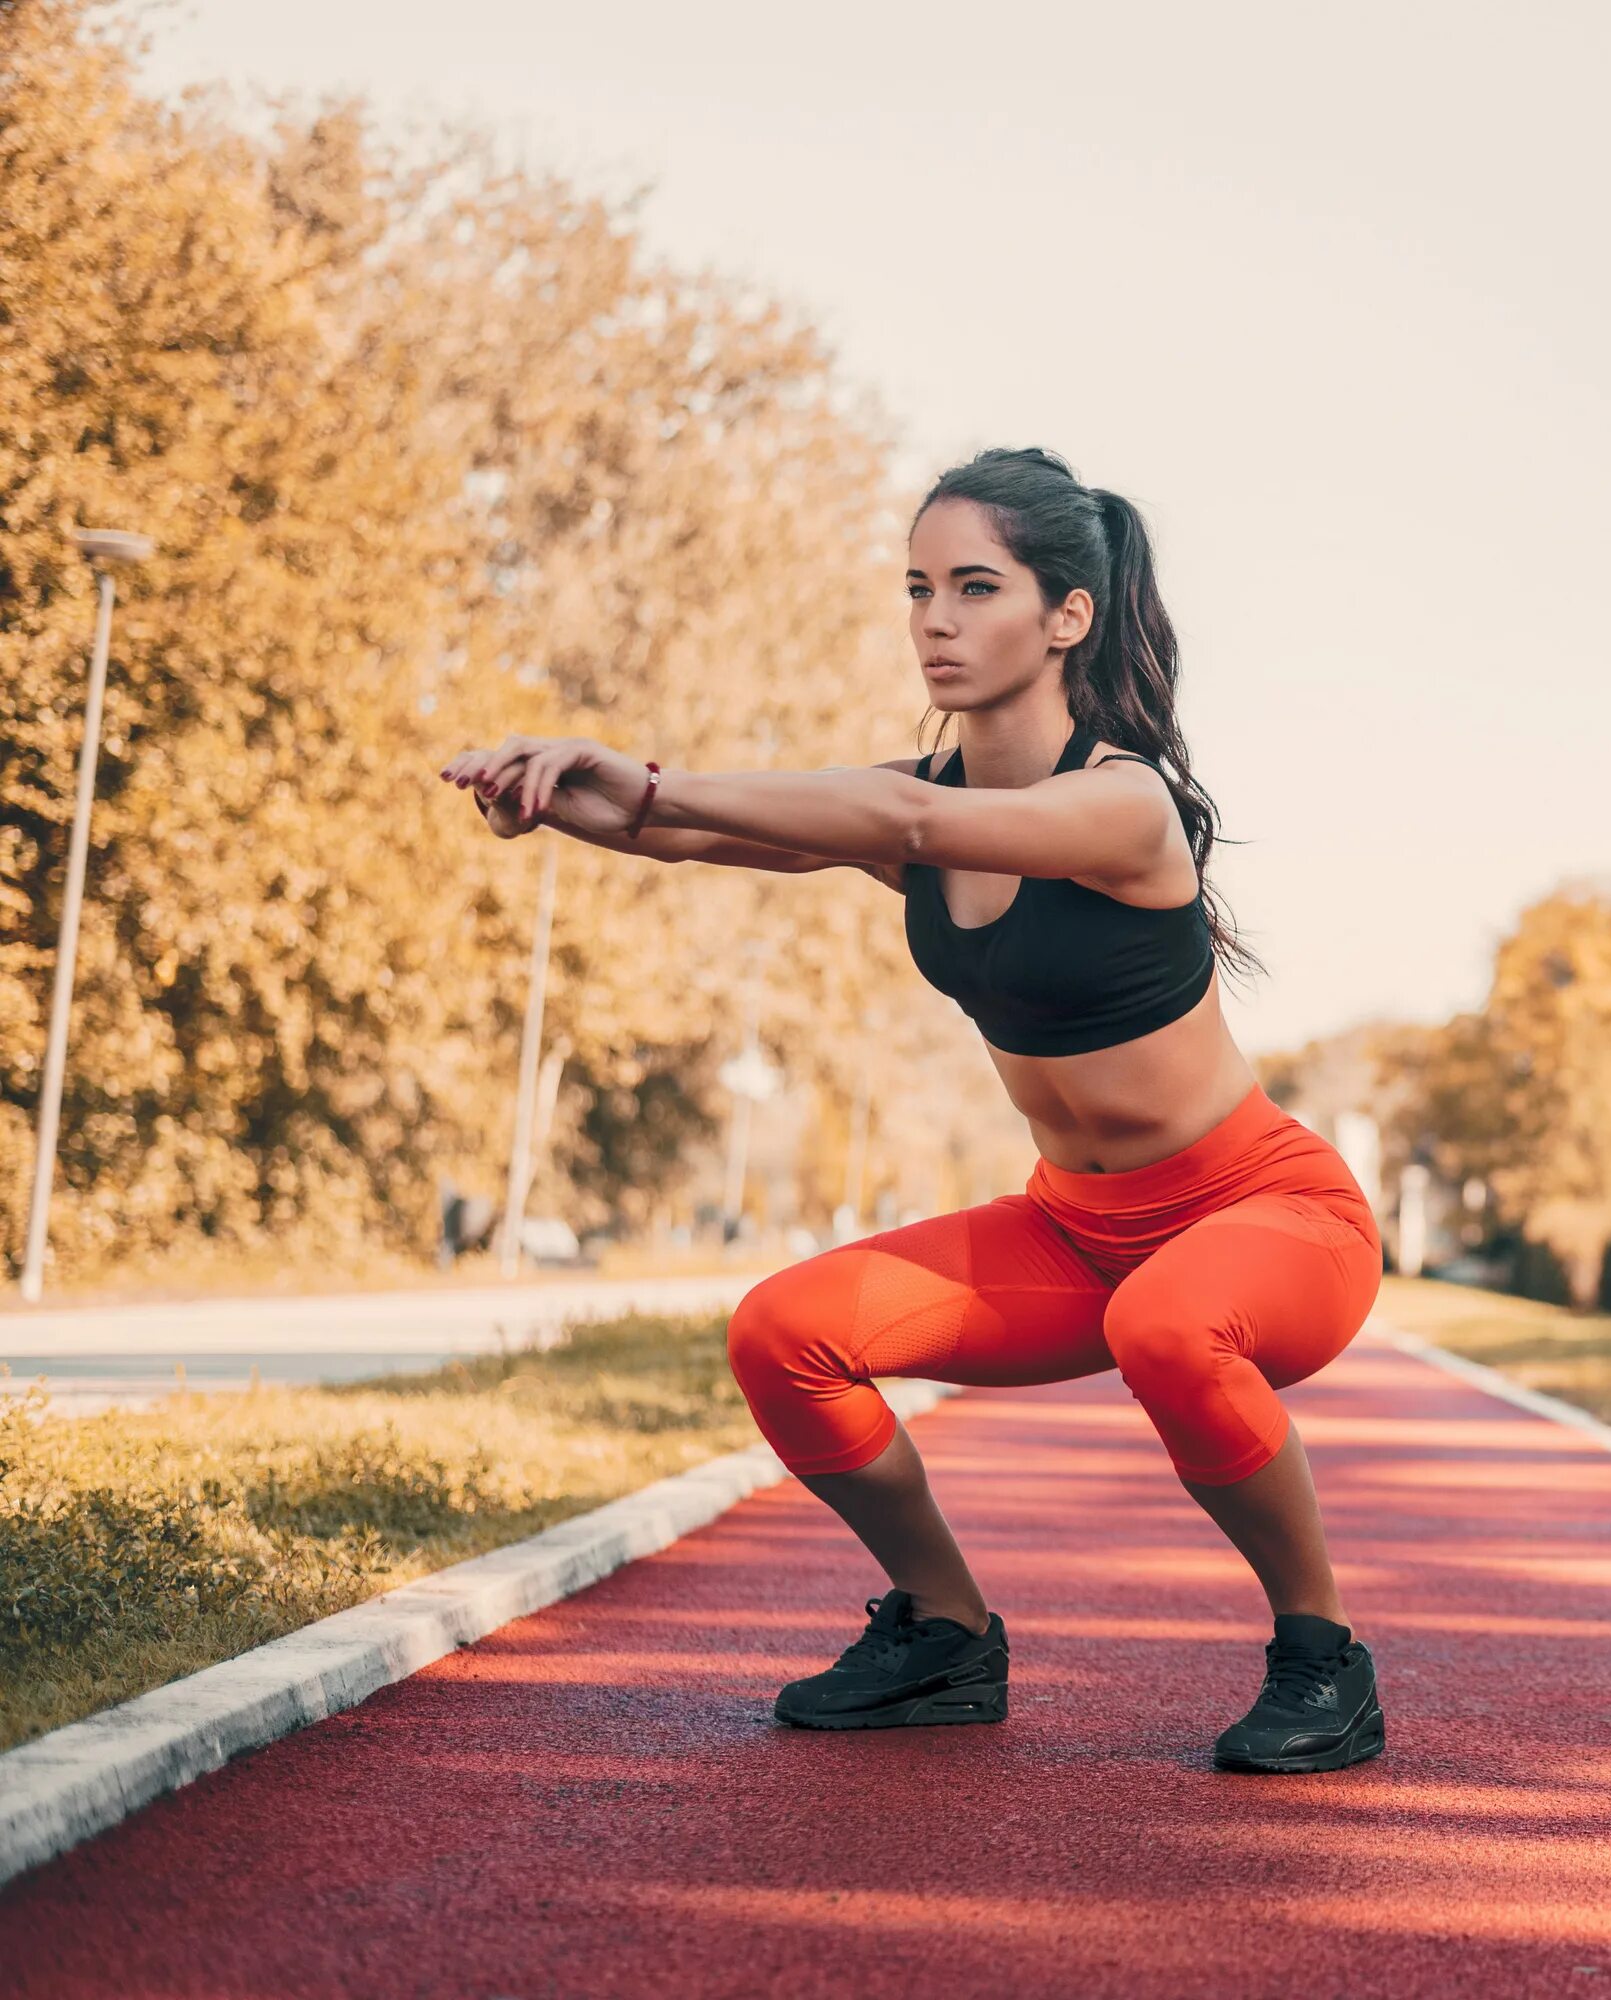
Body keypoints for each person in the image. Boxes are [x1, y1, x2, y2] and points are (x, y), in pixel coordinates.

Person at [434, 447, 1386, 1774]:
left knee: (1167, 1324)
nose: (936, 620)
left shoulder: (1123, 803)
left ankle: (1322, 1657)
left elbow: (902, 820)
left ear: (1068, 615)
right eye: (918, 588)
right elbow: (698, 835)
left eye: (976, 587)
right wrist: (553, 788)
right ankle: (944, 1634)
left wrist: (642, 775)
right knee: (787, 1335)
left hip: (1268, 1213)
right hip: (1076, 1229)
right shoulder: (918, 803)